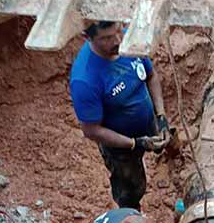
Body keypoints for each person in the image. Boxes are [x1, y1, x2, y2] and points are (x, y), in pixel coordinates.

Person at [70, 21, 171, 210]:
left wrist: (161, 116)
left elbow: (151, 76)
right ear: (87, 37)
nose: (118, 40)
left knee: (166, 140)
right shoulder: (85, 78)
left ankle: (167, 154)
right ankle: (132, 221)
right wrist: (134, 143)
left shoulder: (129, 41)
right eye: (107, 38)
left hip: (149, 121)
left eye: (118, 31)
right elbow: (91, 130)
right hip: (121, 148)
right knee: (130, 191)